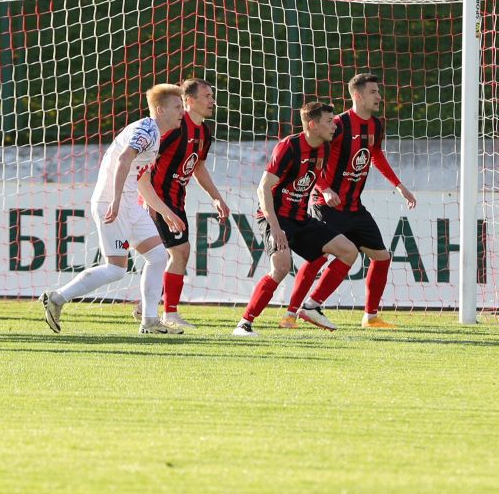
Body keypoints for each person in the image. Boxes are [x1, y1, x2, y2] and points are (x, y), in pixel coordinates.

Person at [38, 84, 187, 336]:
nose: (182, 111)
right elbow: (123, 159)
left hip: (130, 204)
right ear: (160, 110)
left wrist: (165, 212)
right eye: (177, 106)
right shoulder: (146, 130)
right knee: (117, 268)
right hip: (113, 202)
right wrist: (116, 200)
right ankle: (57, 298)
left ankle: (149, 321)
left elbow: (142, 182)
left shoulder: (154, 134)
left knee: (158, 256)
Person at [231, 100, 360, 337]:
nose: (335, 126)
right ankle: (243, 324)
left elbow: (315, 176)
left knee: (349, 250)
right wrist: (275, 227)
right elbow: (263, 189)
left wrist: (326, 190)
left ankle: (311, 307)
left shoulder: (324, 146)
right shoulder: (288, 147)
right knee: (281, 267)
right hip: (276, 217)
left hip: (301, 217)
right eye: (329, 122)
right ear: (312, 124)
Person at [299, 72, 418, 329]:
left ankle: (370, 317)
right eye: (373, 92)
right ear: (358, 95)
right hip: (327, 205)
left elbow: (375, 156)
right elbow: (313, 159)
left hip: (354, 207)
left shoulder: (376, 125)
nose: (379, 96)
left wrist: (398, 186)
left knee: (382, 256)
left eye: (378, 91)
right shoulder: (338, 125)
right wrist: (325, 188)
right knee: (320, 258)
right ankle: (300, 308)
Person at [147, 77, 232, 329]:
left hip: (176, 200)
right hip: (157, 200)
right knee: (178, 252)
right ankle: (168, 313)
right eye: (207, 96)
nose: (212, 101)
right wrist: (148, 202)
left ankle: (149, 304)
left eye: (212, 96)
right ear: (189, 100)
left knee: (169, 255)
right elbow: (145, 161)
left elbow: (199, 167)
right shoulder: (173, 127)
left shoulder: (204, 131)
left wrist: (216, 197)